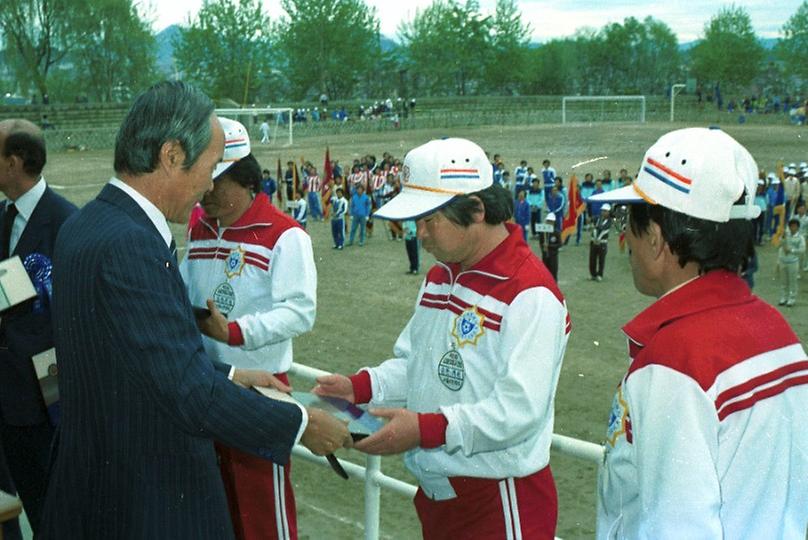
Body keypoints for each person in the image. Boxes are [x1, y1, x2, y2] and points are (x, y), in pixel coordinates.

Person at [40, 81, 351, 539]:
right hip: (146, 497)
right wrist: (301, 423)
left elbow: (139, 351)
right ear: (171, 155)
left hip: (98, 483)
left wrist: (231, 375)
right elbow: (184, 392)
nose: (209, 184)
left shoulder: (87, 223)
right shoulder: (131, 243)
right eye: (208, 167)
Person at [315, 137, 570, 539]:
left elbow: (519, 411)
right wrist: (360, 387)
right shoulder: (440, 276)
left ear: (477, 210)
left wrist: (425, 429)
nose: (421, 234)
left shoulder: (529, 293)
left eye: (429, 220)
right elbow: (415, 364)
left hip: (500, 503)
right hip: (438, 497)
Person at [590, 127, 808, 538]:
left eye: (627, 221)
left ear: (654, 238)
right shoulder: (777, 330)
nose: (625, 238)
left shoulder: (676, 361)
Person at [180, 117, 318, 540]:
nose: (207, 191)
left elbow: (300, 312)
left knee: (262, 510)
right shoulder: (198, 227)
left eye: (217, 182)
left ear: (246, 180)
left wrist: (236, 333)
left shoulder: (285, 235)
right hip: (207, 383)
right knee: (214, 502)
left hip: (259, 387)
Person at [0, 119, 77, 536]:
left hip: (43, 399)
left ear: (13, 163)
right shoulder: (1, 215)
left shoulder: (67, 224)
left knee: (50, 508)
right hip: (2, 394)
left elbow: (70, 318)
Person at [779, 216, 805, 306]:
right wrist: (782, 237)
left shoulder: (800, 238)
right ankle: (783, 297)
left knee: (792, 281)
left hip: (793, 262)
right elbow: (779, 243)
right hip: (783, 261)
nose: (792, 228)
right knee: (783, 281)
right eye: (791, 226)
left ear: (797, 227)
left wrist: (791, 250)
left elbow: (802, 250)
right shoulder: (786, 235)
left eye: (794, 226)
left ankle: (792, 298)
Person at [589, 203, 612, 281]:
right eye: (602, 211)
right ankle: (593, 274)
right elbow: (591, 221)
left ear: (609, 212)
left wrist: (596, 227)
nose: (603, 212)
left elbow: (604, 228)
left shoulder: (609, 221)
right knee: (592, 259)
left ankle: (600, 274)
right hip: (593, 241)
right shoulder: (597, 218)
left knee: (601, 260)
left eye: (605, 211)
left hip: (602, 242)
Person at [539, 212, 560, 281]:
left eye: (551, 221)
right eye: (548, 221)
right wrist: (543, 247)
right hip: (545, 257)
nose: (549, 223)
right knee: (545, 274)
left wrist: (549, 246)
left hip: (553, 256)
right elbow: (541, 243)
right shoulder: (543, 232)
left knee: (553, 274)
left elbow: (559, 244)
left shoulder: (556, 232)